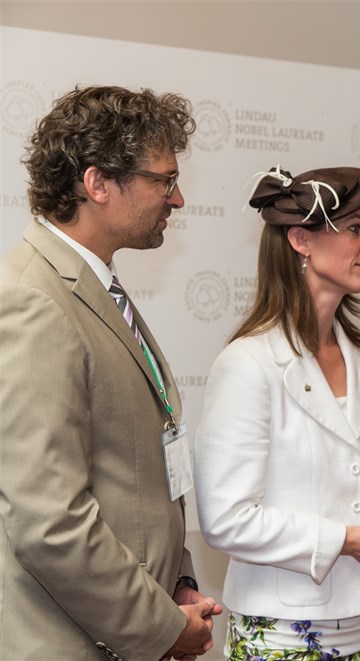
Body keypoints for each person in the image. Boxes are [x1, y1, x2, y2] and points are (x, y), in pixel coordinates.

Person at [0, 85, 222, 659]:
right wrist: (160, 626)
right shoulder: (35, 301)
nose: (177, 199)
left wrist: (178, 580)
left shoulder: (94, 285)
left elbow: (136, 474)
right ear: (97, 183)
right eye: (164, 179)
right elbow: (49, 523)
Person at [195, 165, 360, 661]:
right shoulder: (248, 363)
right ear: (301, 240)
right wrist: (349, 541)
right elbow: (225, 520)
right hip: (282, 632)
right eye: (355, 229)